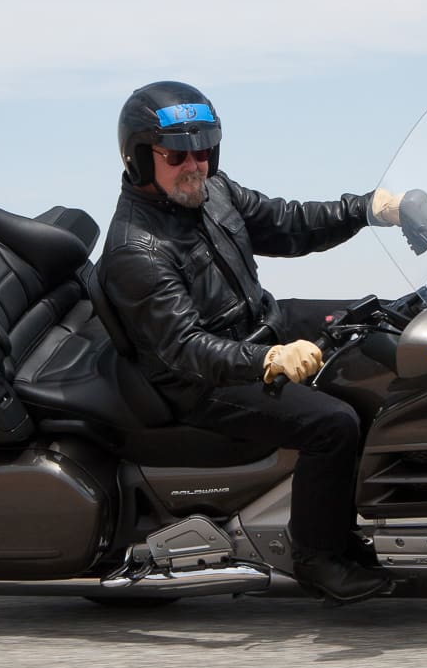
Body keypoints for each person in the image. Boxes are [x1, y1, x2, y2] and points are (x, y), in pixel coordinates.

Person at [98, 80, 403, 603]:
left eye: (203, 150)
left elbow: (288, 223)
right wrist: (269, 358)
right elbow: (187, 349)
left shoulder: (212, 190)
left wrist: (367, 208)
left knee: (381, 323)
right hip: (203, 381)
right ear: (141, 159)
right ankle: (318, 556)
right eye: (177, 154)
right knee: (332, 424)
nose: (194, 164)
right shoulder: (137, 250)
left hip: (260, 325)